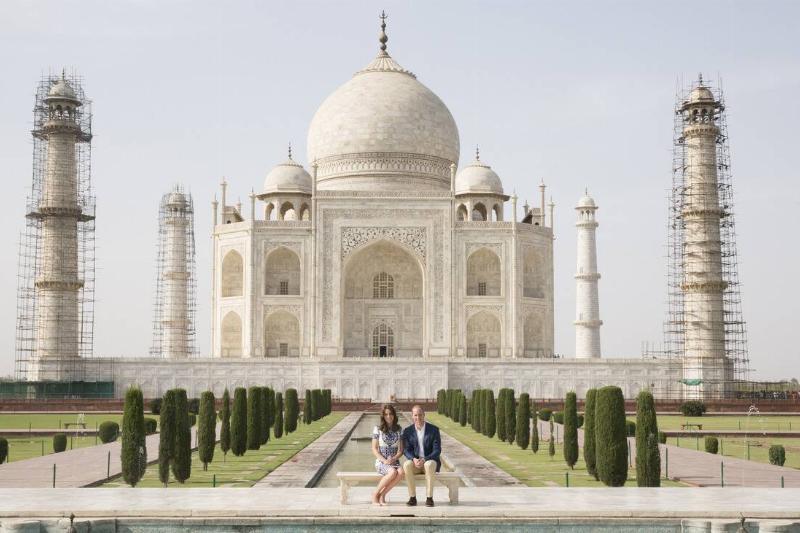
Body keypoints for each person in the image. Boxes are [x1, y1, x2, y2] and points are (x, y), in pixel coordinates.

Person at [401, 405, 441, 507]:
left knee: (429, 465)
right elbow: (406, 450)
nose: (418, 418)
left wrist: (425, 459)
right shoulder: (408, 431)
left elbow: (437, 450)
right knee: (406, 465)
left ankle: (429, 498)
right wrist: (413, 459)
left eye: (420, 415)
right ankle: (412, 498)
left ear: (424, 415)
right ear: (412, 416)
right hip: (416, 463)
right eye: (415, 415)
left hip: (429, 461)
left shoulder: (434, 430)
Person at [371, 404, 405, 505]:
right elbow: (374, 448)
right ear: (383, 416)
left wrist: (394, 458)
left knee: (401, 472)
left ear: (394, 415)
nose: (388, 416)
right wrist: (384, 460)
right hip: (381, 461)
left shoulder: (399, 429)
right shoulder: (378, 429)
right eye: (386, 414)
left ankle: (382, 495)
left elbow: (401, 450)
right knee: (392, 472)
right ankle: (375, 494)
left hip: (394, 461)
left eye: (390, 414)